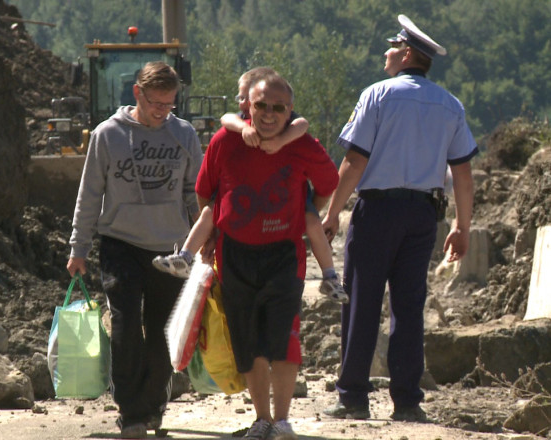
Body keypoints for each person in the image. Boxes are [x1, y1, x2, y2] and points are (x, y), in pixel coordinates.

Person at [321, 15, 477, 423]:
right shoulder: (449, 104)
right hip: (423, 215)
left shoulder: (377, 95)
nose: (386, 52)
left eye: (392, 45)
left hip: (377, 210)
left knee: (361, 301)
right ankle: (407, 401)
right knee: (408, 307)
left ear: (407, 53)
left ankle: (353, 396)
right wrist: (462, 227)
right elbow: (462, 172)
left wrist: (332, 211)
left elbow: (355, 161)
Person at [197, 72, 339, 440]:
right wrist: (210, 236)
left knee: (283, 339)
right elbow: (205, 190)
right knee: (248, 340)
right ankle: (262, 420)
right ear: (248, 105)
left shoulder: (303, 144)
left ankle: (284, 419)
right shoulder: (225, 141)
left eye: (278, 108)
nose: (269, 114)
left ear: (290, 111)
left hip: (283, 256)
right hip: (235, 256)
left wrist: (304, 212)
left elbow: (328, 185)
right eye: (261, 105)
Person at [66, 61, 202, 439]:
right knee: (126, 326)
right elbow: (90, 193)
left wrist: (204, 244)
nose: (162, 112)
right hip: (120, 244)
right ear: (137, 94)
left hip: (171, 248)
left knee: (162, 334)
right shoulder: (107, 135)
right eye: (156, 103)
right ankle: (131, 411)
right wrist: (79, 246)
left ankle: (154, 403)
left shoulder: (185, 135)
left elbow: (196, 194)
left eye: (169, 105)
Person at [153, 67, 347, 303]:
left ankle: (330, 275)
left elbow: (302, 125)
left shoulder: (288, 122)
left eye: (245, 96)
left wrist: (280, 141)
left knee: (312, 221)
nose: (243, 103)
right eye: (242, 98)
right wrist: (244, 128)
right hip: (240, 201)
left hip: (285, 190)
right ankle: (185, 255)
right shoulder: (237, 126)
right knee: (210, 211)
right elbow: (226, 119)